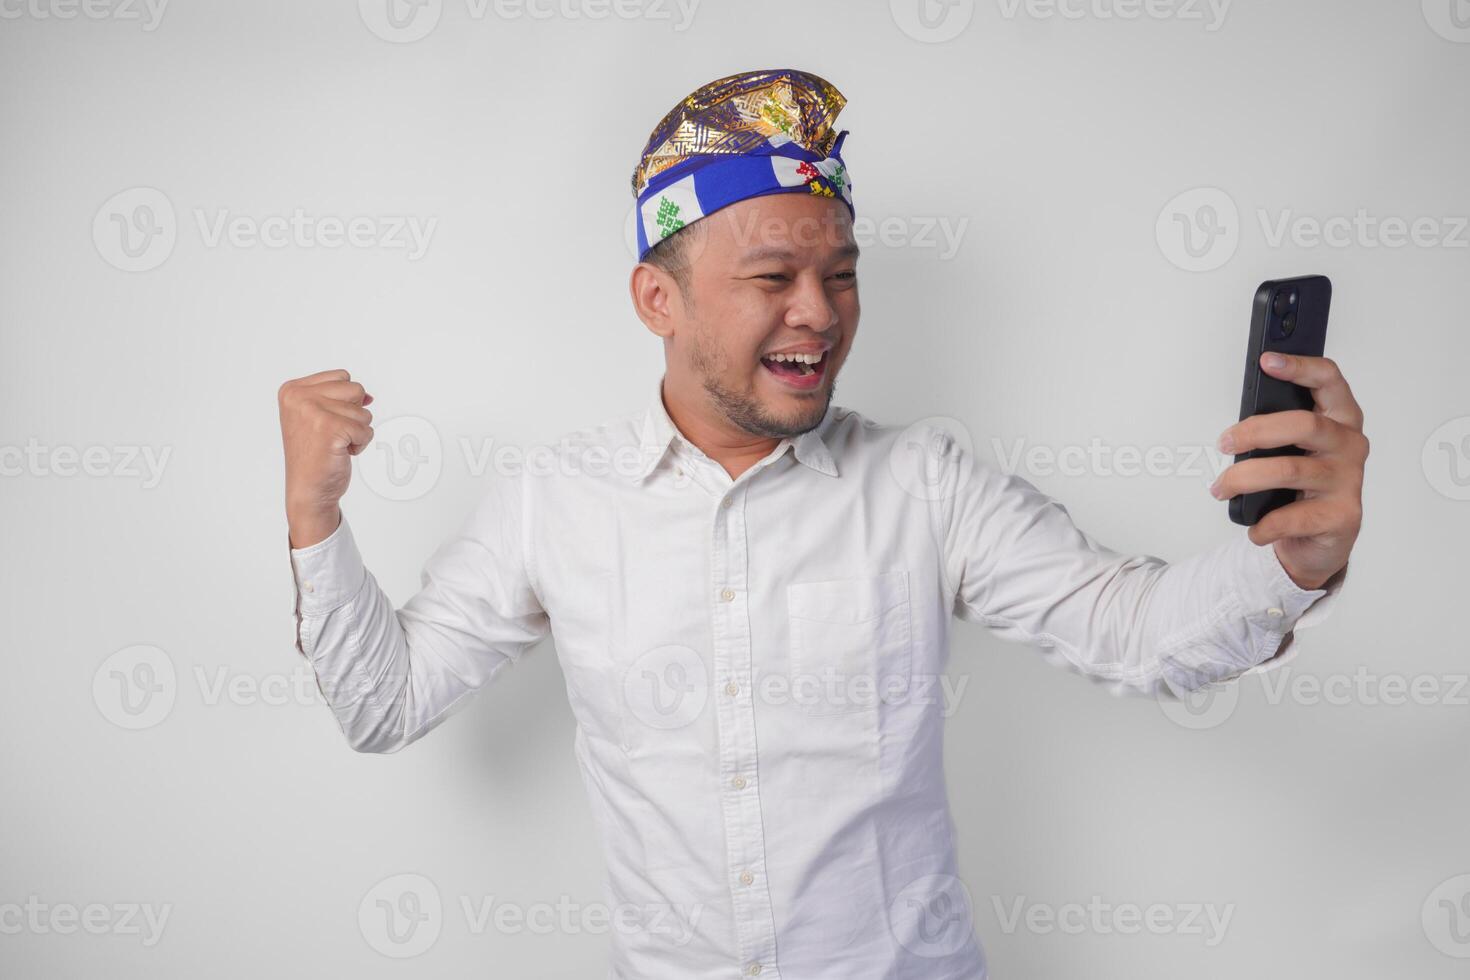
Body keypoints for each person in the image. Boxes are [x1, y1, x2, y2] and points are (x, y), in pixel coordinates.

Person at [276, 68, 1364, 979]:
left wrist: (1295, 558)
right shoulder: (553, 501)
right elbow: (385, 703)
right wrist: (316, 515)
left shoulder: (924, 481)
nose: (820, 312)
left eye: (839, 274)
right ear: (660, 300)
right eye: (773, 277)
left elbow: (1137, 632)